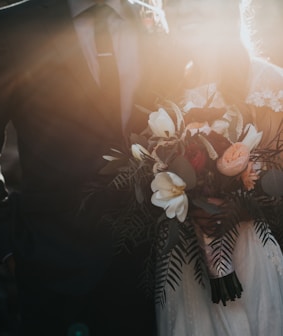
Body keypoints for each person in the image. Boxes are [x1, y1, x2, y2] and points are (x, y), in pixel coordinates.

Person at [0, 0, 157, 335]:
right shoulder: (9, 28)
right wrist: (7, 245)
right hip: (50, 272)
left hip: (150, 273)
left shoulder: (154, 23)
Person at [145, 0, 283, 335]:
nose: (183, 9)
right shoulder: (159, 92)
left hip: (248, 254)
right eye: (172, 3)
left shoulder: (267, 82)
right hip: (180, 266)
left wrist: (236, 201)